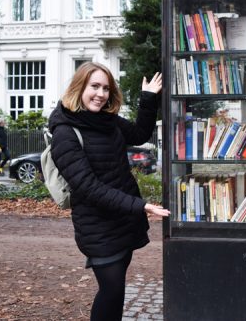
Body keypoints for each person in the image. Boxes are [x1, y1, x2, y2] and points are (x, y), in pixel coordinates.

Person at [47, 61, 169, 321]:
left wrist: (148, 99)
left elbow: (138, 134)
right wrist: (141, 205)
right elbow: (88, 188)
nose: (101, 94)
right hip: (98, 226)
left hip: (123, 220)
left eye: (106, 88)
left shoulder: (107, 120)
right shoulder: (65, 133)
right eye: (94, 86)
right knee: (111, 289)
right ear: (79, 87)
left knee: (116, 290)